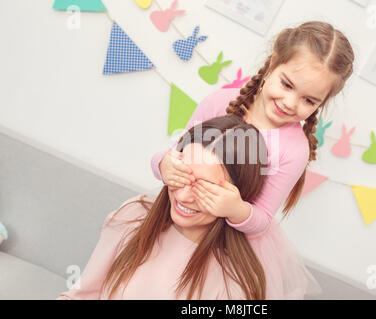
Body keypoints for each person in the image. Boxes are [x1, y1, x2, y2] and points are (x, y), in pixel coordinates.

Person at [56, 115, 321, 300]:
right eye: (182, 177)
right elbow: (81, 295)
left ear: (236, 198)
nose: (183, 195)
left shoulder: (235, 281)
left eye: (204, 188)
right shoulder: (133, 216)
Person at [151, 21, 355, 237]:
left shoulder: (294, 150)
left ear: (321, 102)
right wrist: (163, 164)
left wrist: (236, 209)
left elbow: (262, 220)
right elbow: (175, 154)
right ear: (274, 61)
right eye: (287, 85)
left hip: (220, 243)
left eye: (309, 100)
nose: (290, 103)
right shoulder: (220, 102)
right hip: (175, 214)